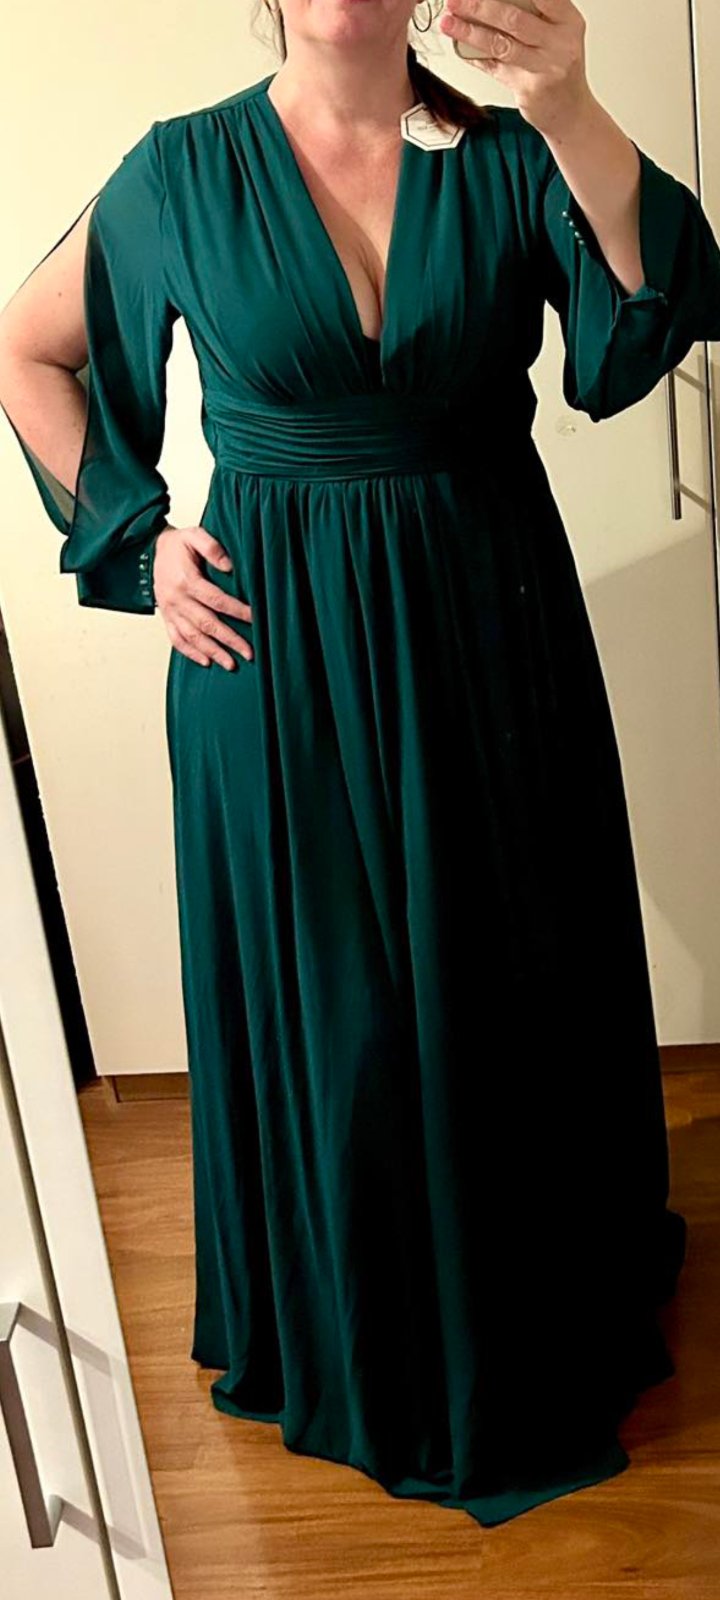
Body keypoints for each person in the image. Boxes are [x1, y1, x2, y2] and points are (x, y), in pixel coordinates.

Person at [1, 0, 719, 1530]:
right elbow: (27, 345)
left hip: (490, 636)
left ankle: (525, 1313)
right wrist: (137, 538)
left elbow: (640, 326)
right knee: (338, 1008)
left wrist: (571, 100)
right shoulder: (180, 171)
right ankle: (358, 1329)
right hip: (273, 658)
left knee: (505, 973)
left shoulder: (510, 156)